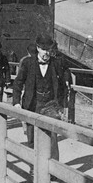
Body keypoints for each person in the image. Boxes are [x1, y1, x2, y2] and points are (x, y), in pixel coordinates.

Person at [12, 34, 70, 172]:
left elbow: (62, 85)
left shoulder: (56, 63)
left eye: (49, 50)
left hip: (50, 104)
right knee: (32, 138)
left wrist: (61, 105)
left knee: (52, 138)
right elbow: (18, 83)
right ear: (38, 48)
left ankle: (54, 169)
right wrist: (16, 102)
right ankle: (34, 167)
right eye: (43, 50)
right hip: (33, 104)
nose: (46, 53)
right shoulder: (27, 63)